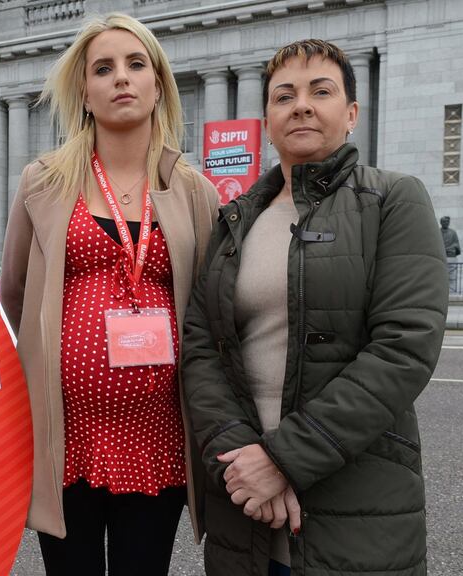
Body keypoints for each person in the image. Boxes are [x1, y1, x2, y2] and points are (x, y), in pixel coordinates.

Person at [182, 39, 447, 576]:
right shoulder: (233, 220)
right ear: (267, 120)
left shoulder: (393, 199)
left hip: (355, 504)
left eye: (320, 91)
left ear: (350, 114)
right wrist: (240, 461)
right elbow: (200, 347)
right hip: (247, 505)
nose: (301, 104)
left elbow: (404, 347)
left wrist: (284, 460)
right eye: (285, 95)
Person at [1, 13, 219, 575]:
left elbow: (211, 311)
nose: (121, 77)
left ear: (158, 83)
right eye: (103, 68)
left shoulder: (194, 190)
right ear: (84, 91)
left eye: (135, 64)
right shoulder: (43, 181)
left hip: (157, 439)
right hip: (66, 438)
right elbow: (19, 292)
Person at [441, 215, 461, 291]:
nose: (445, 223)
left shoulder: (453, 233)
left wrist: (450, 248)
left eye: (447, 221)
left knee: (452, 276)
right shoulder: (438, 232)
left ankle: (452, 290)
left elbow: (456, 244)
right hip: (442, 256)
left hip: (451, 256)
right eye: (444, 222)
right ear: (441, 223)